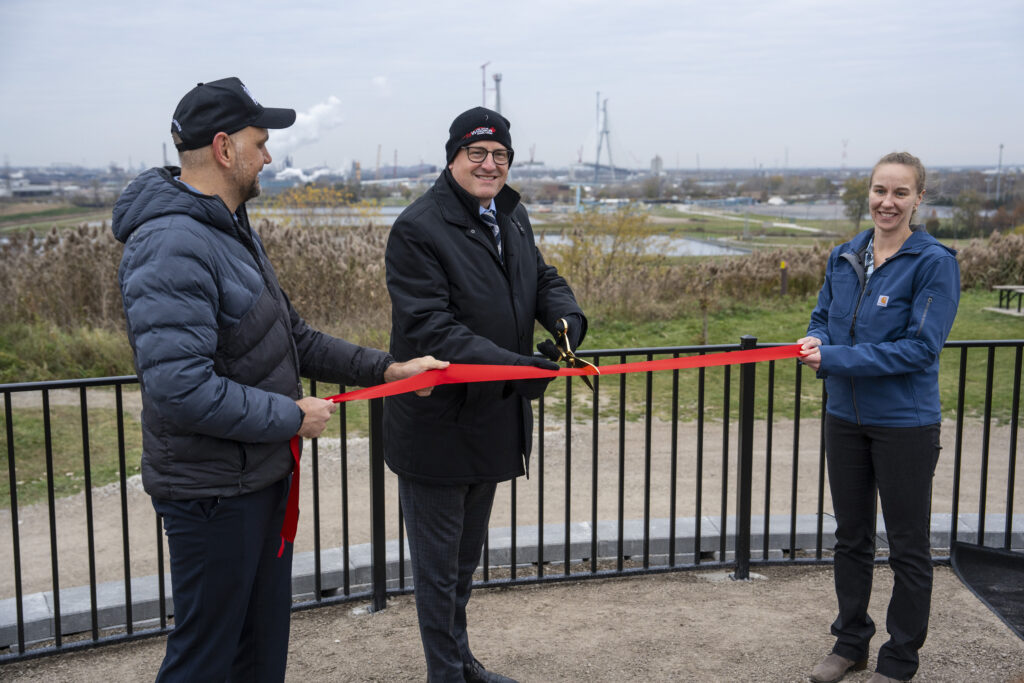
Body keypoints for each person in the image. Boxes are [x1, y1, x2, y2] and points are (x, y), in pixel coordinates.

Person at [111, 76, 446, 682]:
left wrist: (389, 369)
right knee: (206, 658)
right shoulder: (171, 243)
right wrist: (292, 416)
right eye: (260, 142)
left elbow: (294, 338)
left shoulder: (228, 230)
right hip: (212, 495)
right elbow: (181, 388)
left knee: (258, 651)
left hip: (256, 479)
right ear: (223, 148)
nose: (269, 156)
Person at [383, 107, 587, 683]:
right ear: (452, 158)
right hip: (438, 426)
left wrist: (567, 318)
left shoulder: (509, 215)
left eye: (499, 155)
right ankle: (445, 673)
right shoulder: (418, 228)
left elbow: (541, 277)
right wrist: (521, 368)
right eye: (477, 153)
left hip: (492, 418)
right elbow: (432, 329)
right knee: (438, 569)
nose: (489, 163)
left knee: (464, 563)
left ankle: (461, 663)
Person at [799, 152, 960, 683]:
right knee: (851, 537)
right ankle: (851, 643)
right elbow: (824, 316)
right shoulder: (846, 254)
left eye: (899, 193)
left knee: (908, 546)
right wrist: (817, 338)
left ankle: (899, 659)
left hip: (905, 426)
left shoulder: (934, 261)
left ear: (919, 199)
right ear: (868, 194)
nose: (886, 202)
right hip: (844, 417)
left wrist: (836, 357)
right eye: (878, 191)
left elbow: (920, 349)